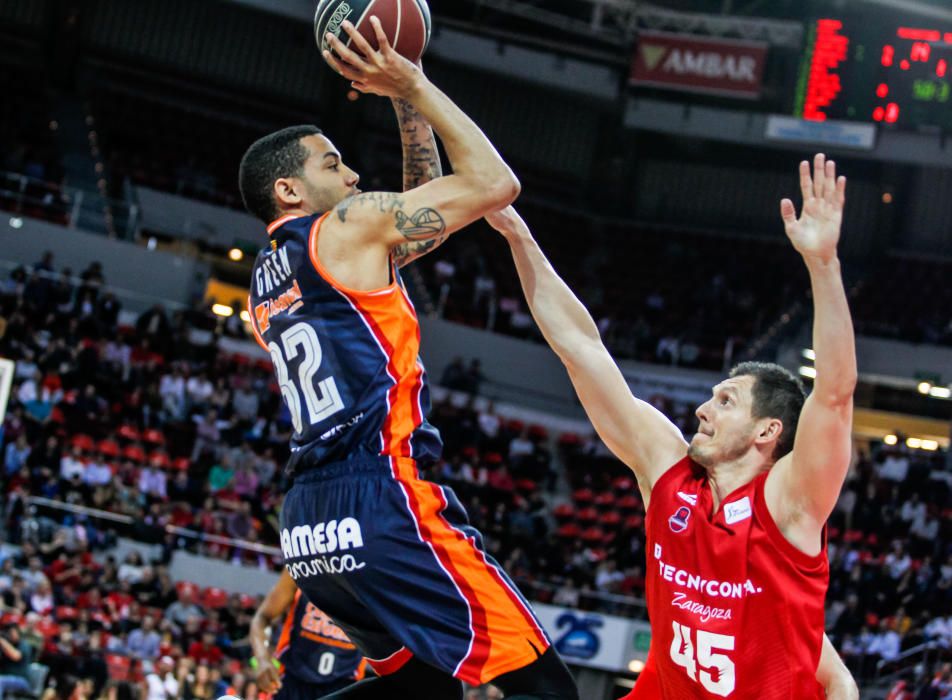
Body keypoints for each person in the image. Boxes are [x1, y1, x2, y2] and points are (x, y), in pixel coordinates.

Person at [238, 16, 577, 700]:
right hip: (381, 496)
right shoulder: (345, 229)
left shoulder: (265, 284)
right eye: (332, 163)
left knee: (426, 692)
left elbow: (416, 222)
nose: (354, 172)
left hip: (309, 525)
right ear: (290, 191)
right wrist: (414, 83)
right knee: (548, 691)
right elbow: (494, 184)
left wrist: (400, 103)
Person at [486, 154, 859, 699]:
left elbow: (835, 393)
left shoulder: (790, 502)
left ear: (766, 432)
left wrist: (823, 264)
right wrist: (518, 235)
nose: (703, 410)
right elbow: (582, 349)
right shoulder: (667, 468)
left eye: (726, 401)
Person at [250, 571, 367, 698]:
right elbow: (261, 618)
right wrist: (262, 659)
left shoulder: (371, 578)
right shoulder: (300, 566)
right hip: (292, 681)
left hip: (344, 685)